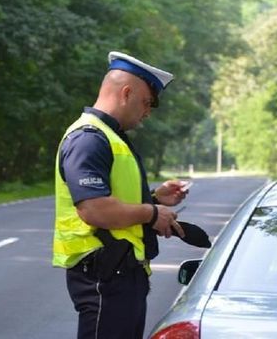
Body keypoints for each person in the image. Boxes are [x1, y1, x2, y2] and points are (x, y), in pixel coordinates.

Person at [52, 51, 188, 339]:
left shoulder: (110, 137)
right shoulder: (89, 139)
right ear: (126, 93)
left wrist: (155, 199)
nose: (148, 112)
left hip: (119, 274)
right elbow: (94, 210)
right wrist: (152, 214)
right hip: (104, 274)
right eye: (147, 102)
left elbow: (110, 196)